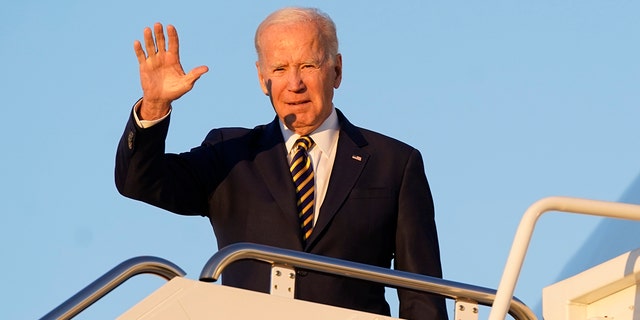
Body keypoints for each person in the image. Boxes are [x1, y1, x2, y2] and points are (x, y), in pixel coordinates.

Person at [115, 7, 448, 319]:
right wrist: (154, 107)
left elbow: (422, 293)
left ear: (337, 70)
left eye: (308, 65)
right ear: (262, 79)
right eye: (280, 69)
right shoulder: (229, 153)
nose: (295, 83)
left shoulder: (395, 163)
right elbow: (139, 181)